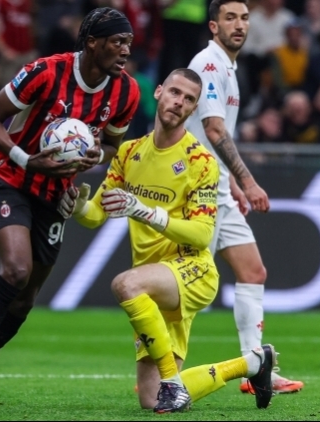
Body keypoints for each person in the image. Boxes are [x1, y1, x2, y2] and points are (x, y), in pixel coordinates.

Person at [0, 7, 141, 412]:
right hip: (9, 178)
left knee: (25, 298)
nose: (125, 50)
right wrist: (26, 159)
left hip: (56, 195)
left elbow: (111, 145)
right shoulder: (46, 72)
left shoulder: (126, 92)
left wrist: (95, 156)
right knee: (16, 270)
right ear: (92, 43)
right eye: (118, 42)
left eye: (129, 43)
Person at [59, 68, 276, 413]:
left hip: (192, 271)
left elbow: (203, 234)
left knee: (125, 284)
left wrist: (145, 211)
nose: (179, 102)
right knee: (151, 400)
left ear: (194, 109)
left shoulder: (201, 161)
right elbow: (96, 215)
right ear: (159, 92)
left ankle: (173, 383)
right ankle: (253, 363)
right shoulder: (129, 152)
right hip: (153, 284)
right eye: (175, 92)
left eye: (189, 99)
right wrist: (78, 207)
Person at [184, 0, 304, 395]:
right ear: (213, 25)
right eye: (230, 18)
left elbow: (213, 136)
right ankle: (159, 374)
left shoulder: (229, 67)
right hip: (197, 192)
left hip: (218, 187)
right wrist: (248, 182)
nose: (239, 25)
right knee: (188, 288)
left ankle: (257, 367)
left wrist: (231, 184)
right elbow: (214, 130)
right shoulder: (209, 64)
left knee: (253, 272)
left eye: (244, 18)